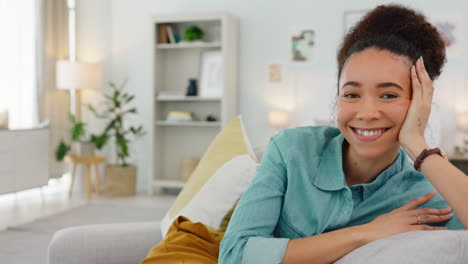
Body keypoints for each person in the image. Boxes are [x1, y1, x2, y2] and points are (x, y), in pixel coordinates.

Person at [219, 4, 468, 264]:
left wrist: (419, 146)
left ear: (421, 102)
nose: (367, 112)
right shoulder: (291, 150)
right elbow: (235, 255)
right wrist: (366, 233)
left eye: (388, 95)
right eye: (351, 94)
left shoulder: (423, 195)